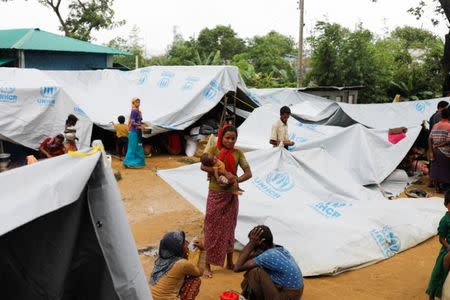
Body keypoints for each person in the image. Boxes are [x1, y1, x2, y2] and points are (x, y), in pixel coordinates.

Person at [200, 125, 252, 278]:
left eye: (233, 138)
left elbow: (248, 173)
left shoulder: (238, 153)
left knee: (230, 229)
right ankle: (207, 266)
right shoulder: (214, 151)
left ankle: (229, 262)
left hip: (231, 196)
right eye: (227, 138)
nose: (230, 141)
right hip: (215, 195)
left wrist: (235, 179)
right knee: (211, 228)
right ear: (221, 137)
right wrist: (221, 171)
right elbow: (203, 166)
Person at [234, 225, 304, 300]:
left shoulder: (269, 255)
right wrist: (252, 244)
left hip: (288, 295)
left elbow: (237, 267)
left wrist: (251, 243)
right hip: (292, 292)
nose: (251, 243)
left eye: (253, 241)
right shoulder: (275, 248)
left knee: (255, 272)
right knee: (254, 267)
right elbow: (243, 258)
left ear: (262, 242)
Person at [150, 231, 204, 300]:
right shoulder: (181, 264)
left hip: (150, 297)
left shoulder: (160, 259)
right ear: (177, 248)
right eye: (183, 243)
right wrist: (203, 250)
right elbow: (200, 272)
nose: (187, 243)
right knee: (195, 280)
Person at [427, 191, 450, 300]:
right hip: (447, 249)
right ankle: (431, 295)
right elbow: (441, 239)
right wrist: (448, 246)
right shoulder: (445, 220)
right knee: (438, 273)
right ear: (446, 204)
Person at [429, 108, 450, 193]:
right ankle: (447, 189)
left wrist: (431, 151)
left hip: (435, 151)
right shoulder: (449, 126)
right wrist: (439, 145)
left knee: (436, 169)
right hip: (445, 152)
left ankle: (437, 187)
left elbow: (430, 138)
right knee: (446, 170)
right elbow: (449, 140)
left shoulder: (435, 125)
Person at [123, 97, 145, 168]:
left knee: (139, 146)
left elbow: (138, 121)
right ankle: (128, 163)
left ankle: (137, 163)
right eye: (136, 102)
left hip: (138, 132)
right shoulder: (134, 111)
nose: (138, 103)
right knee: (133, 147)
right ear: (133, 103)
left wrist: (142, 123)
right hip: (134, 132)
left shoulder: (138, 111)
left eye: (139, 102)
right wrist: (140, 125)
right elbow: (132, 122)